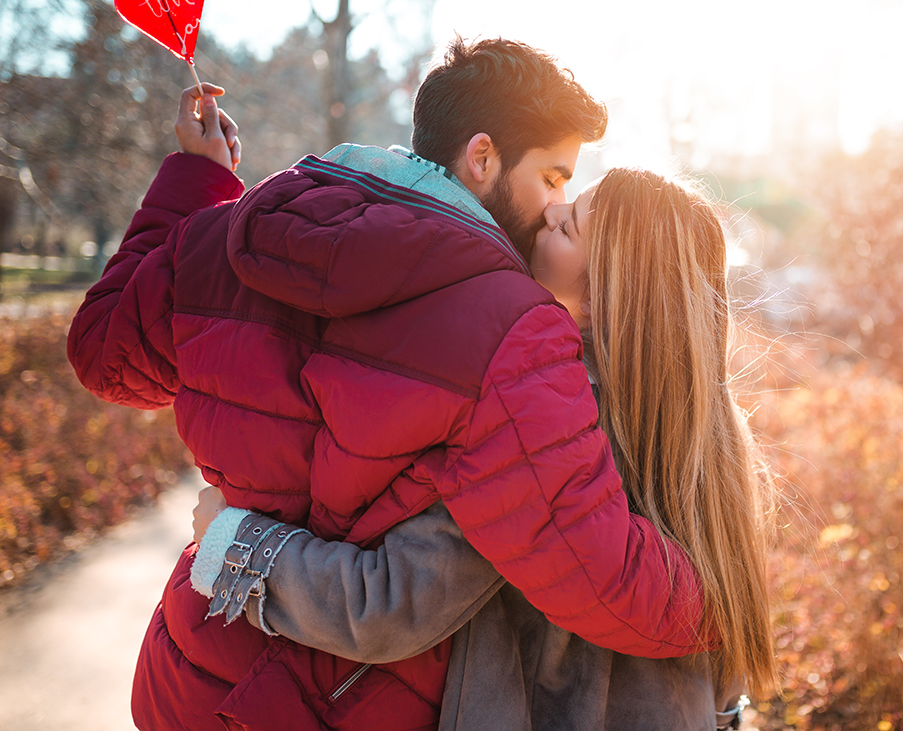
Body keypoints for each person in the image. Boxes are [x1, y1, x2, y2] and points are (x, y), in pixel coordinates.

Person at [67, 37, 716, 731]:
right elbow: (605, 581)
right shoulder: (512, 329)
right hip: (349, 703)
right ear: (484, 156)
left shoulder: (225, 236)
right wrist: (722, 600)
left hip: (191, 671)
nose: (555, 206)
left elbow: (103, 352)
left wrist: (197, 184)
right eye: (553, 177)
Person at [189, 167, 778, 730]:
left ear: (607, 299)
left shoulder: (539, 418)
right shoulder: (714, 441)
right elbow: (726, 680)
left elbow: (392, 602)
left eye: (569, 225)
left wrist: (234, 542)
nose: (550, 210)